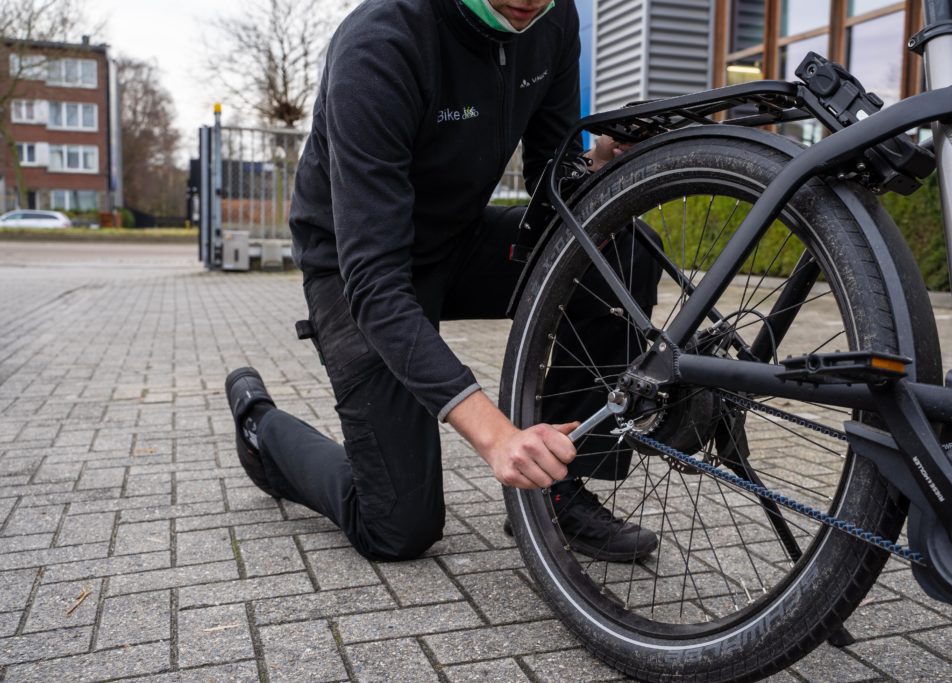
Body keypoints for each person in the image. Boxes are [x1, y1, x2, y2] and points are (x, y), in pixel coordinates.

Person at [225, 0, 659, 562]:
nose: (528, 2)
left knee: (623, 247)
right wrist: (498, 435)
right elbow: (375, 282)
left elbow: (550, 182)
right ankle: (263, 431)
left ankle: (556, 489)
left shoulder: (554, 21)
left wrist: (598, 168)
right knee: (399, 526)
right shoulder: (379, 45)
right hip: (356, 268)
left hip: (457, 238)